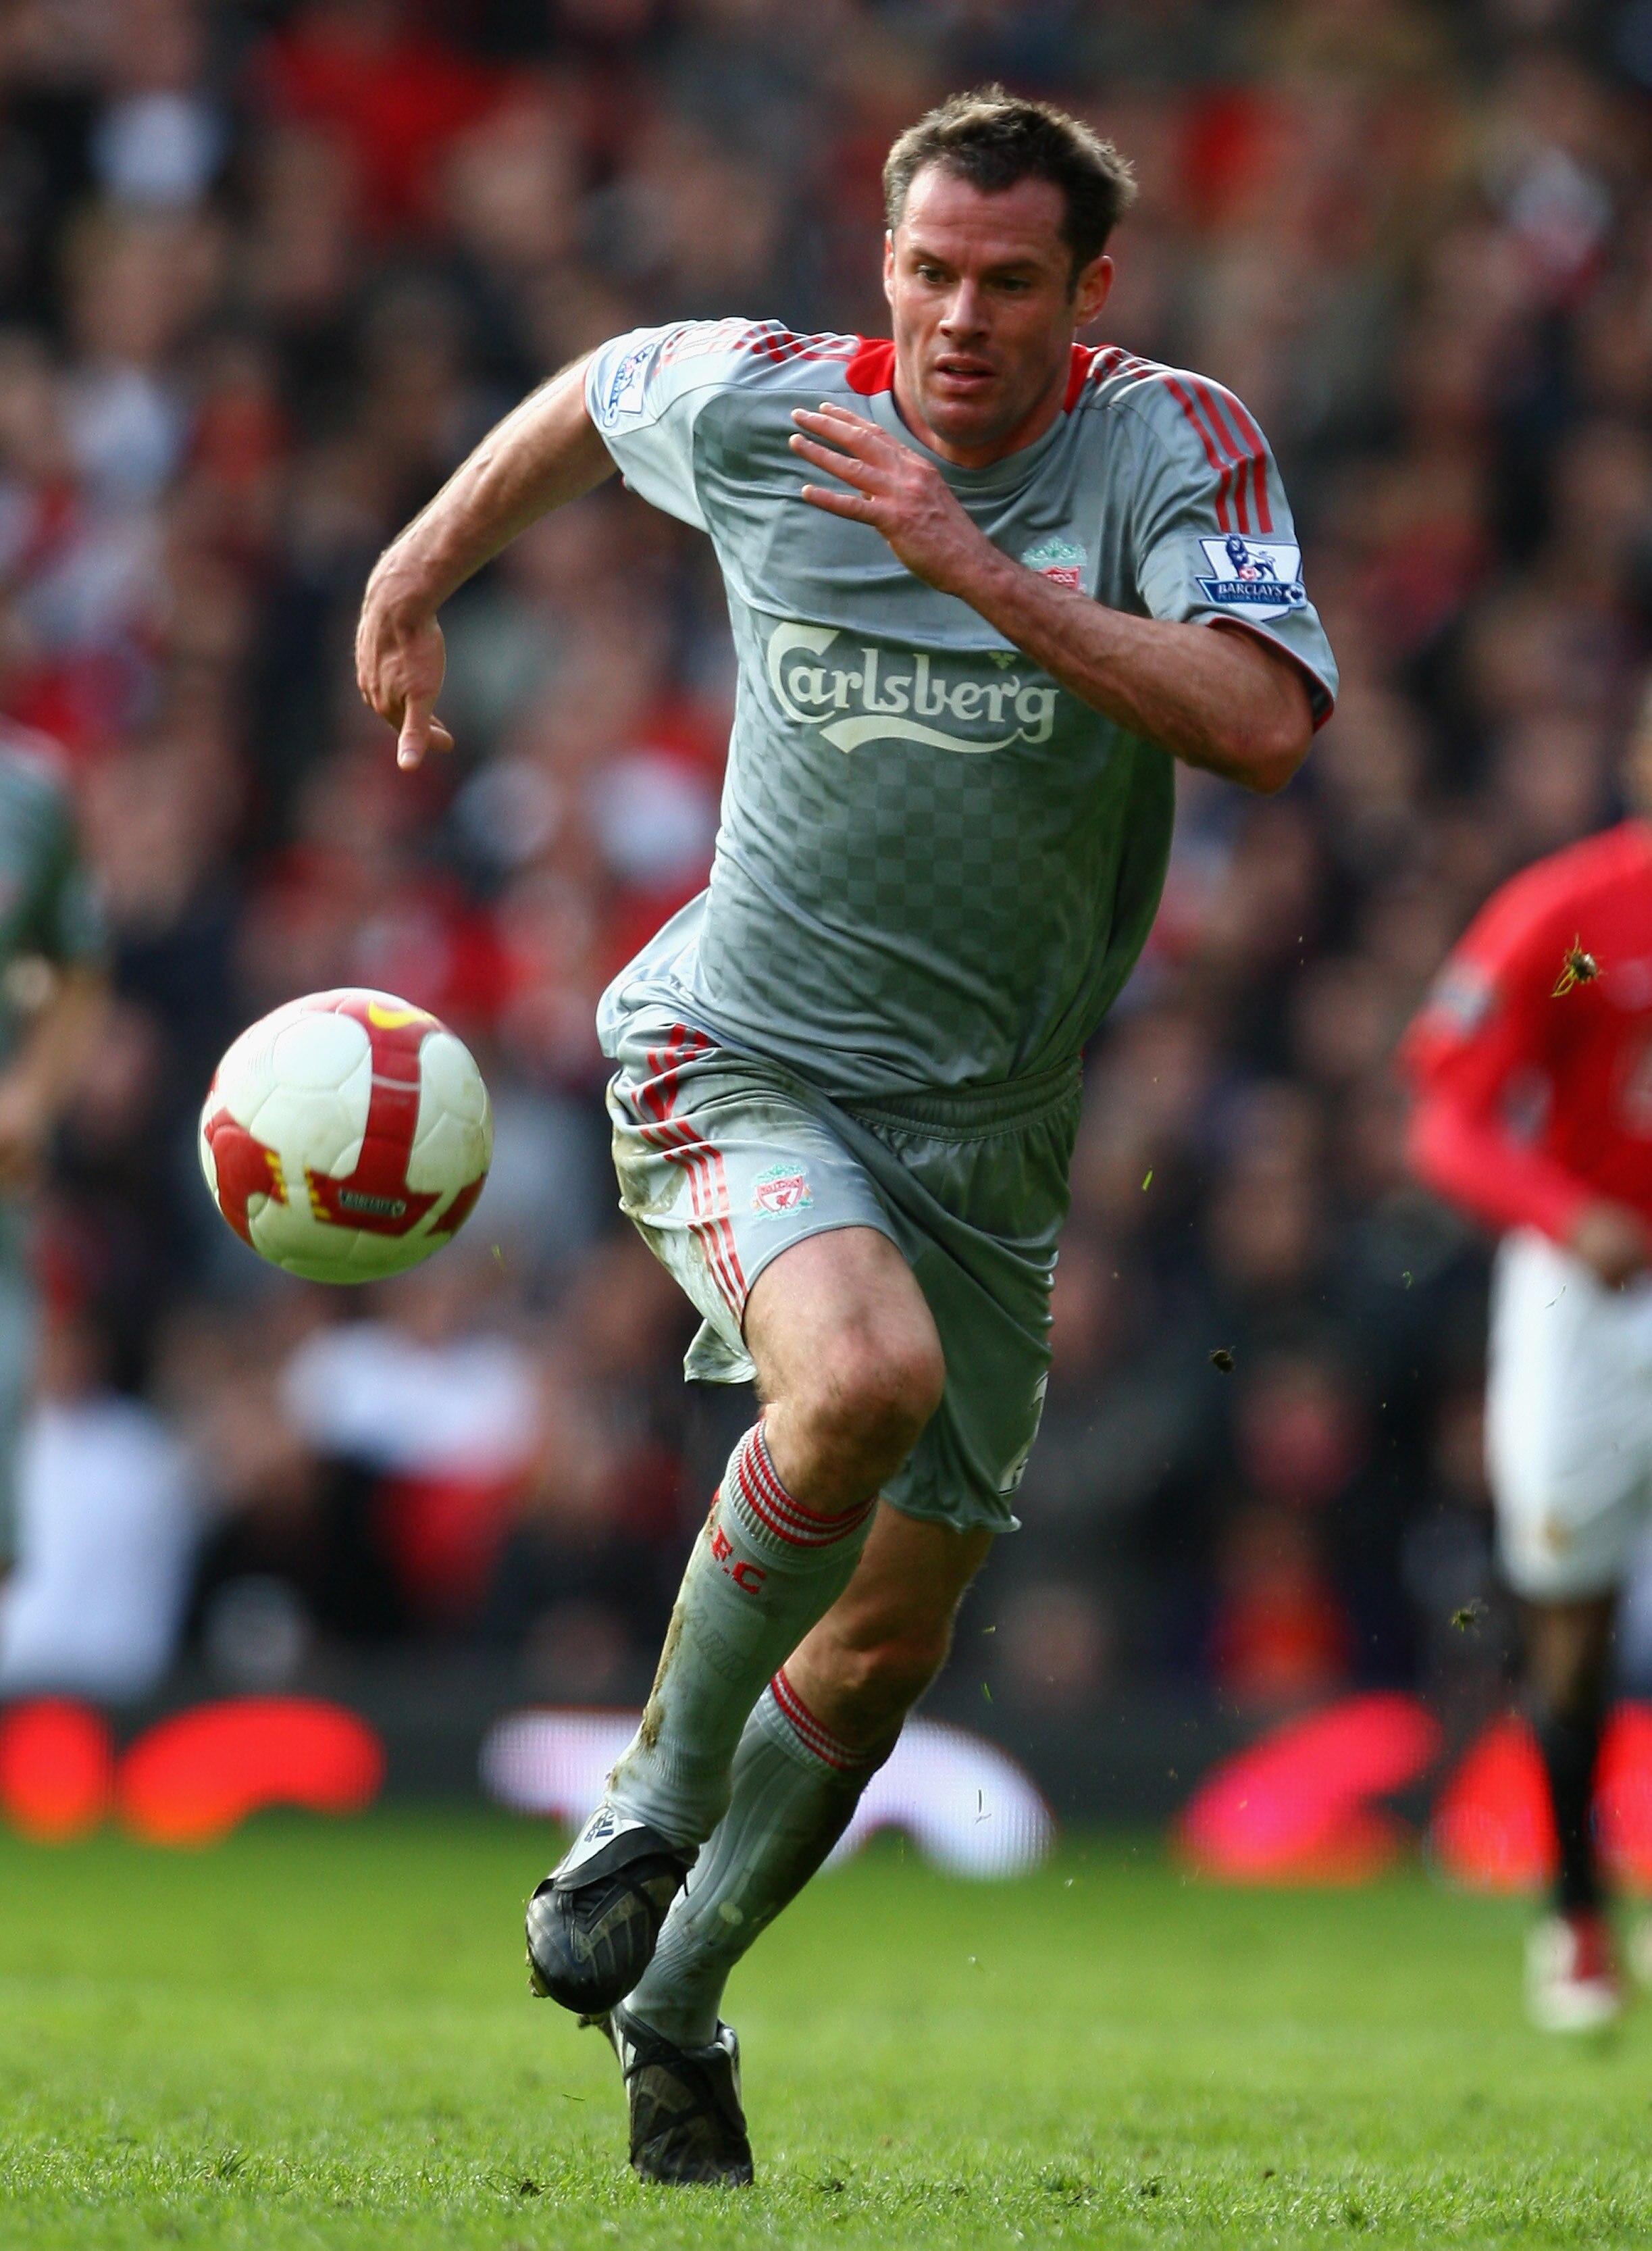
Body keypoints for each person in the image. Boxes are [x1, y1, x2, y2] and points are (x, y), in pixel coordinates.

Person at [356, 88, 1335, 2185]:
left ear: (1090, 291)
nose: (955, 320)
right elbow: (596, 392)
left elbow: (1258, 722)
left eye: (1004, 283)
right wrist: (420, 562)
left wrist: (964, 562)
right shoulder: (766, 405)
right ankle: (635, 1811)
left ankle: (678, 1995)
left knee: (887, 1641)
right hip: (741, 1048)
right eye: (922, 274)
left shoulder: (1171, 445)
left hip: (992, 1134)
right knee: (858, 1380)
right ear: (876, 265)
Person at [1403, 693, 1652, 2032]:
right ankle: (1573, 1911)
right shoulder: (1582, 929)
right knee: (1566, 1602)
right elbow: (1445, 1119)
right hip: (1592, 1298)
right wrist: (1567, 1217)